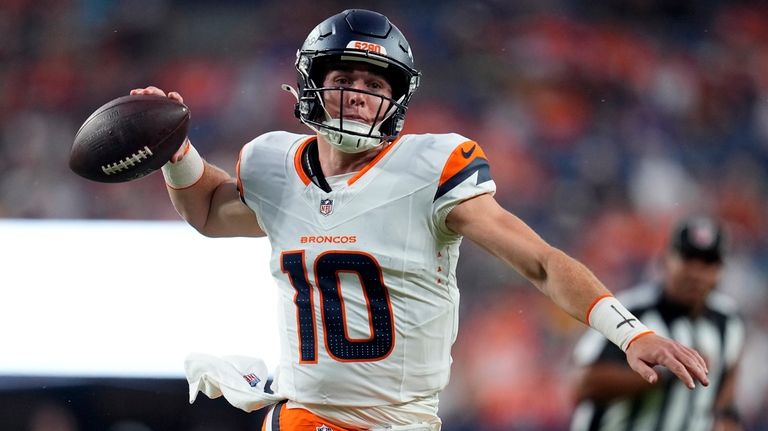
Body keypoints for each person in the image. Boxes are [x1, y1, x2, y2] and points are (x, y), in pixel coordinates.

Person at [130, 9, 709, 431]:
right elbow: (207, 211)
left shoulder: (429, 169)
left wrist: (631, 331)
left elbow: (538, 261)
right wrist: (177, 154)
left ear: (398, 98)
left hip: (396, 424)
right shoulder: (273, 164)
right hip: (302, 417)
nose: (358, 94)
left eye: (374, 83)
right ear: (313, 85)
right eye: (344, 79)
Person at [570, 215, 745, 431]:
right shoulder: (630, 310)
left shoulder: (728, 321)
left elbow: (724, 397)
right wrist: (667, 372)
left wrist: (727, 420)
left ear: (720, 270)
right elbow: (583, 385)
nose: (696, 273)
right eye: (688, 259)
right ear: (665, 260)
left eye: (708, 263)